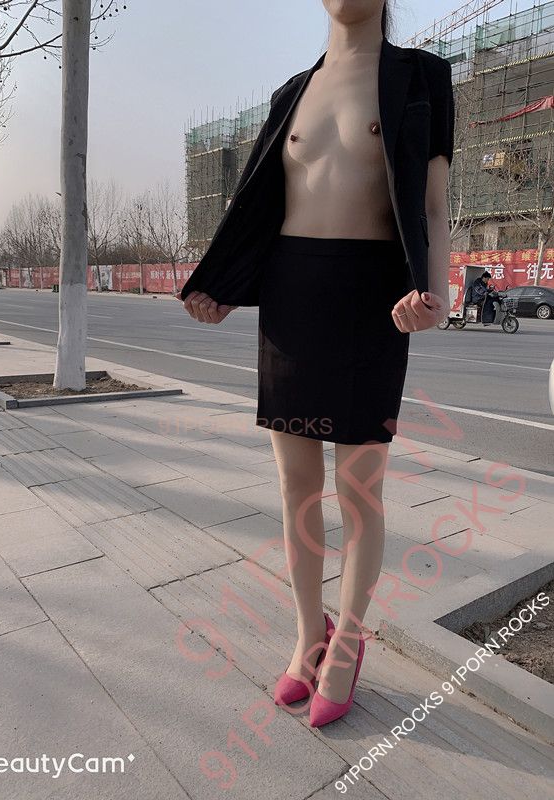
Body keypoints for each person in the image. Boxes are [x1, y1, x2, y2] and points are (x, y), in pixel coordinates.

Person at [178, 0, 454, 727]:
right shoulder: (290, 93)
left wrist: (435, 293)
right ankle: (308, 636)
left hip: (374, 296)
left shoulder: (421, 76)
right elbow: (260, 205)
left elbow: (432, 207)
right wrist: (223, 287)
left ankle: (349, 641)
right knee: (296, 488)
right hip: (291, 294)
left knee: (359, 490)